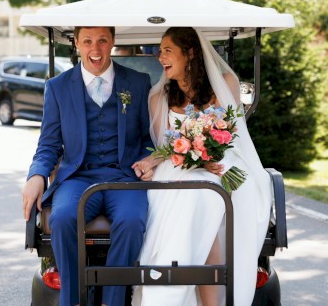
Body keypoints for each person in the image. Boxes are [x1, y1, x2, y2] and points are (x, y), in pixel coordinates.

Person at [131, 27, 273, 306]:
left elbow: (226, 133)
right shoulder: (158, 97)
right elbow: (165, 147)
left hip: (222, 163)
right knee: (184, 195)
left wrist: (204, 155)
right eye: (159, 51)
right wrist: (150, 161)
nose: (160, 57)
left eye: (167, 50)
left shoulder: (225, 82)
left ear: (191, 52)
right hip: (178, 164)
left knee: (204, 193)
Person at [22, 26, 154, 306]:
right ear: (77, 44)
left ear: (113, 42)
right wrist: (36, 175)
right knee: (62, 217)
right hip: (78, 178)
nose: (96, 49)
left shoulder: (139, 83)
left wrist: (147, 161)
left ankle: (112, 301)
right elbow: (48, 144)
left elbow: (147, 138)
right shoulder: (57, 87)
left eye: (103, 40)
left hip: (124, 177)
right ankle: (74, 300)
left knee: (132, 221)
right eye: (88, 41)